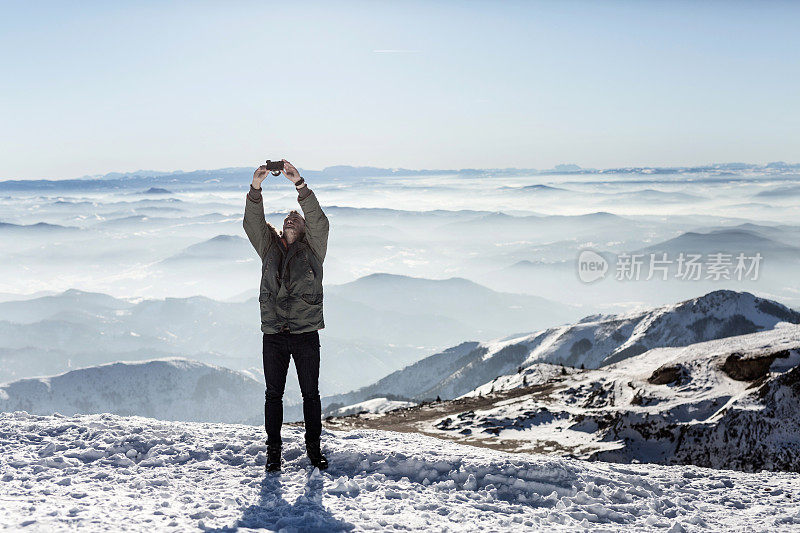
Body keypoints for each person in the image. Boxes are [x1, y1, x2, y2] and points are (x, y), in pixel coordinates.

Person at [243, 159, 330, 472]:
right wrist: (256, 187)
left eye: (297, 217)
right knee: (273, 395)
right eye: (288, 217)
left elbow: (321, 222)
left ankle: (313, 450)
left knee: (310, 394)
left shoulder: (313, 248)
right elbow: (253, 224)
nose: (292, 218)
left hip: (306, 332)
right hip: (274, 334)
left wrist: (300, 185)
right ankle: (273, 452)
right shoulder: (268, 246)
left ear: (304, 228)